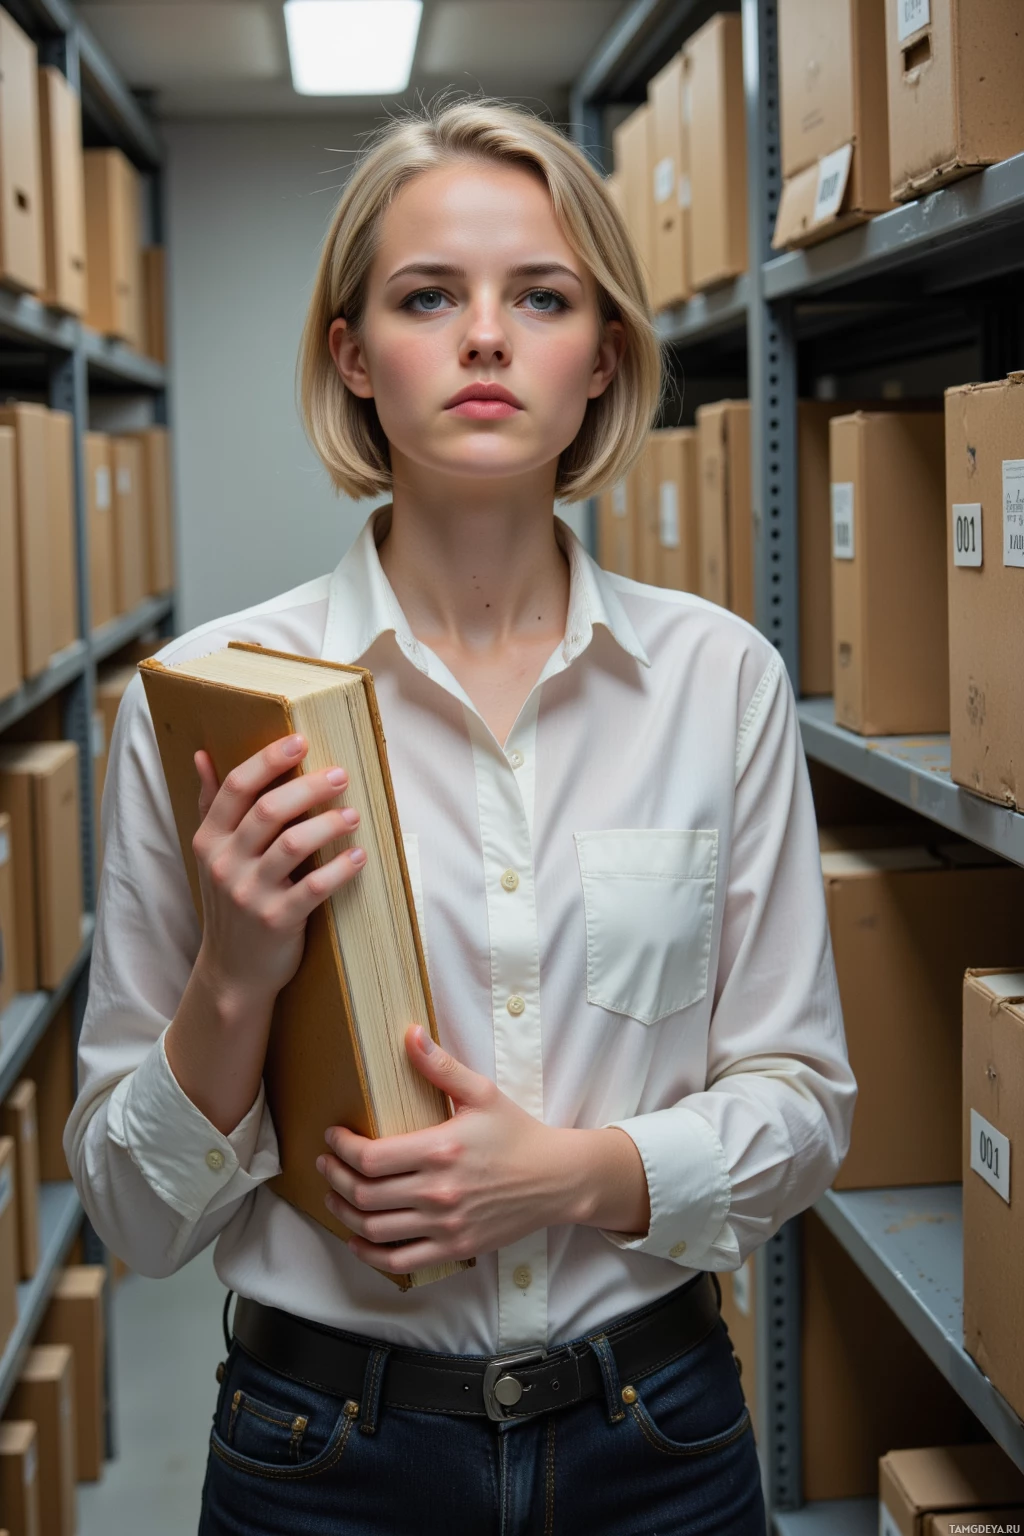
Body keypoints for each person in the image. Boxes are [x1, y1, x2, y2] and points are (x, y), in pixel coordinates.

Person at [67, 98, 857, 1535]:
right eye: (429, 296)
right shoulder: (210, 709)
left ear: (601, 354)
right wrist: (234, 979)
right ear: (355, 356)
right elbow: (134, 1213)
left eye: (539, 296)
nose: (484, 337)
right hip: (322, 1459)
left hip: (659, 1447)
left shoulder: (715, 680)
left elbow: (804, 1108)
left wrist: (577, 1175)